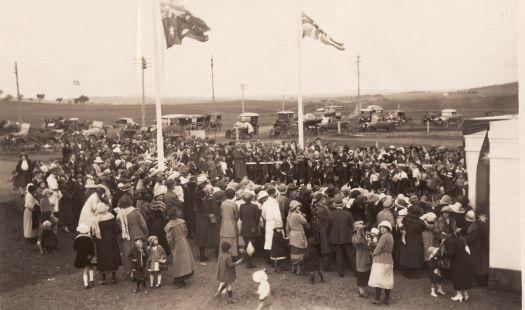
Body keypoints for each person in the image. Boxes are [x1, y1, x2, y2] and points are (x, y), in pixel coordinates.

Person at [116, 195, 148, 277]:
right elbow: (143, 224)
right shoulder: (136, 212)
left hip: (126, 235)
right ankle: (141, 269)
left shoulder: (119, 215)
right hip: (137, 232)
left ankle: (131, 271)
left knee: (128, 251)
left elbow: (120, 227)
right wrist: (145, 232)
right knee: (140, 250)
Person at [164, 207, 195, 288]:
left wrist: (171, 246)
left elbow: (169, 238)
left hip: (176, 243)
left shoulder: (169, 226)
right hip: (184, 242)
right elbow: (186, 232)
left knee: (178, 261)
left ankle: (180, 279)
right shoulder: (182, 222)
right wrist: (183, 238)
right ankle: (184, 275)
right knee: (185, 260)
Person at [92, 202, 121, 285]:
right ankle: (113, 277)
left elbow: (93, 233)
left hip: (101, 242)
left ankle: (104, 278)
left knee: (102, 258)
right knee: (112, 257)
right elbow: (117, 229)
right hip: (111, 240)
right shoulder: (111, 217)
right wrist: (113, 235)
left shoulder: (96, 219)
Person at [327, 197, 355, 277]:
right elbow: (352, 226)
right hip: (347, 237)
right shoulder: (348, 214)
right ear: (342, 205)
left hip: (336, 238)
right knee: (351, 254)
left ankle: (341, 272)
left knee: (338, 255)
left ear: (335, 205)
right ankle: (355, 271)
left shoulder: (331, 214)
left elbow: (328, 227)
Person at [368, 221, 395, 305]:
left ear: (388, 228)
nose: (382, 229)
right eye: (381, 227)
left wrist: (373, 254)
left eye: (384, 227)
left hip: (380, 259)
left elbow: (379, 248)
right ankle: (386, 299)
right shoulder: (390, 236)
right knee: (387, 280)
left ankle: (377, 299)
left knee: (378, 280)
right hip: (389, 259)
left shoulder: (384, 237)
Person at [446, 229, 475, 302]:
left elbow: (451, 253)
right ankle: (465, 294)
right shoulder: (462, 240)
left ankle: (459, 295)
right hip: (466, 260)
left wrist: (446, 256)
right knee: (463, 277)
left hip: (457, 261)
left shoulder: (450, 240)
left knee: (457, 277)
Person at [239, 190, 261, 268]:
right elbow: (257, 218)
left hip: (245, 227)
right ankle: (249, 262)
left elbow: (241, 217)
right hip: (252, 227)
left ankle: (247, 260)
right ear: (251, 198)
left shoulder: (241, 206)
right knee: (251, 244)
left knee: (246, 244)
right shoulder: (255, 207)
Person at [287, 201, 309, 275]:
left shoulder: (289, 215)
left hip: (292, 235)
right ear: (295, 208)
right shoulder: (297, 215)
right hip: (299, 235)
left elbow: (287, 227)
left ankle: (293, 268)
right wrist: (301, 215)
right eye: (298, 206)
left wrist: (288, 236)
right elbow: (305, 222)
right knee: (300, 251)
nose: (299, 208)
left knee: (294, 251)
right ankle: (299, 270)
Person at [352, 220, 372, 298]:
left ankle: (362, 289)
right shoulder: (355, 237)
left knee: (365, 272)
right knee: (361, 273)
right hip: (361, 256)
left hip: (365, 256)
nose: (362, 230)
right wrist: (368, 242)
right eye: (360, 229)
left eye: (362, 228)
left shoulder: (362, 235)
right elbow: (358, 243)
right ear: (356, 229)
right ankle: (361, 290)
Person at [74, 223, 97, 289]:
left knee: (84, 269)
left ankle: (86, 283)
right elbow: (92, 247)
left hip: (81, 256)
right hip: (89, 256)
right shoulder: (90, 238)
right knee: (90, 267)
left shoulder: (77, 238)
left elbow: (75, 247)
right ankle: (91, 280)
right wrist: (91, 254)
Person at [219, 189, 239, 258]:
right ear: (233, 196)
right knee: (232, 238)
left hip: (224, 223)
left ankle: (223, 252)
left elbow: (221, 213)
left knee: (224, 237)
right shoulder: (234, 205)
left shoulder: (223, 203)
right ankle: (233, 254)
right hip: (232, 223)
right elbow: (237, 215)